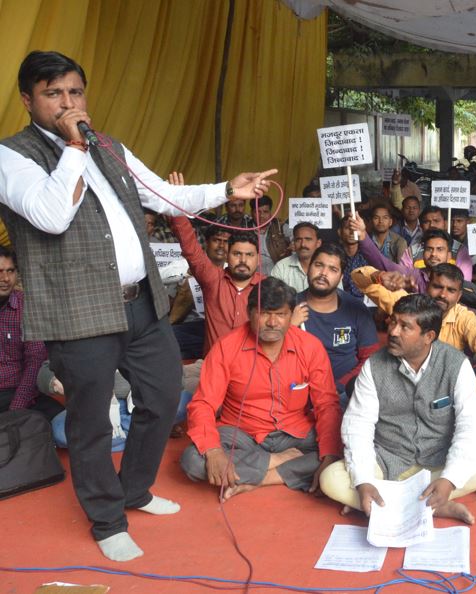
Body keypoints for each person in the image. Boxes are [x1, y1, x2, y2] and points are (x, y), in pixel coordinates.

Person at [0, 50, 276, 561]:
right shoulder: (11, 156)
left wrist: (225, 190)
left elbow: (162, 195)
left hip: (141, 303)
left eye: (75, 92)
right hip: (80, 314)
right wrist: (74, 147)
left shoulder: (109, 146)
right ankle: (107, 519)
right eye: (53, 94)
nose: (68, 103)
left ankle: (134, 490)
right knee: (91, 421)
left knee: (164, 394)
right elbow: (52, 215)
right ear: (27, 100)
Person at [319, 293, 476, 522]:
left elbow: (471, 425)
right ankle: (434, 507)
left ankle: (384, 506)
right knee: (331, 479)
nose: (393, 331)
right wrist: (364, 481)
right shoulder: (374, 366)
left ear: (428, 336)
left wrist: (449, 480)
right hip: (387, 459)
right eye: (393, 322)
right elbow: (358, 424)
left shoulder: (455, 364)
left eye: (405, 327)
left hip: (437, 460)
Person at [181, 278, 342, 503]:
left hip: (295, 433)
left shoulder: (310, 347)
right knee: (193, 461)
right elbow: (203, 403)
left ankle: (262, 478)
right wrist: (214, 451)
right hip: (241, 433)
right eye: (264, 313)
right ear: (250, 313)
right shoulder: (227, 347)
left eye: (281, 314)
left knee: (341, 450)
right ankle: (280, 463)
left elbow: (326, 404)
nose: (273, 322)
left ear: (291, 315)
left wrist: (330, 455)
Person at [352, 263, 476, 400]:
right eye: (437, 286)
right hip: (401, 385)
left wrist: (475, 399)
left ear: (459, 296)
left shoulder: (464, 317)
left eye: (451, 290)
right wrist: (380, 276)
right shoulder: (408, 306)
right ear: (427, 286)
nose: (443, 295)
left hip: (441, 393)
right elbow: (358, 278)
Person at [293, 243, 378, 404]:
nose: (323, 273)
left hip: (346, 394)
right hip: (299, 394)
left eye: (333, 269)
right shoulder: (289, 307)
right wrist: (289, 327)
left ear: (341, 277)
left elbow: (371, 359)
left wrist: (338, 387)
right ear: (309, 268)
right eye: (319, 265)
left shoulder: (356, 309)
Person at [170, 218, 264, 354]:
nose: (243, 260)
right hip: (214, 364)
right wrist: (175, 211)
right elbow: (190, 247)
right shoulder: (213, 279)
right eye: (237, 254)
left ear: (259, 259)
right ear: (227, 255)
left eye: (249, 255)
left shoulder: (267, 287)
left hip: (252, 364)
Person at [0, 246, 60, 419]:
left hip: (23, 392)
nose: (5, 278)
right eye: (0, 271)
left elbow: (35, 362)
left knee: (66, 424)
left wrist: (16, 411)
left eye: (10, 271)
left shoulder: (27, 307)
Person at [271, 222, 322, 293]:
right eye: (298, 240)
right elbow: (272, 297)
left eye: (308, 239)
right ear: (294, 242)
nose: (303, 244)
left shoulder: (328, 267)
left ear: (318, 243)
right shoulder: (281, 267)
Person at [251, 195, 291, 274]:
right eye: (257, 212)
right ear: (251, 213)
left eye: (265, 212)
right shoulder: (245, 228)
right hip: (252, 275)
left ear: (271, 213)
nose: (261, 216)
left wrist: (294, 244)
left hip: (277, 275)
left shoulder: (280, 226)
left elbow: (297, 238)